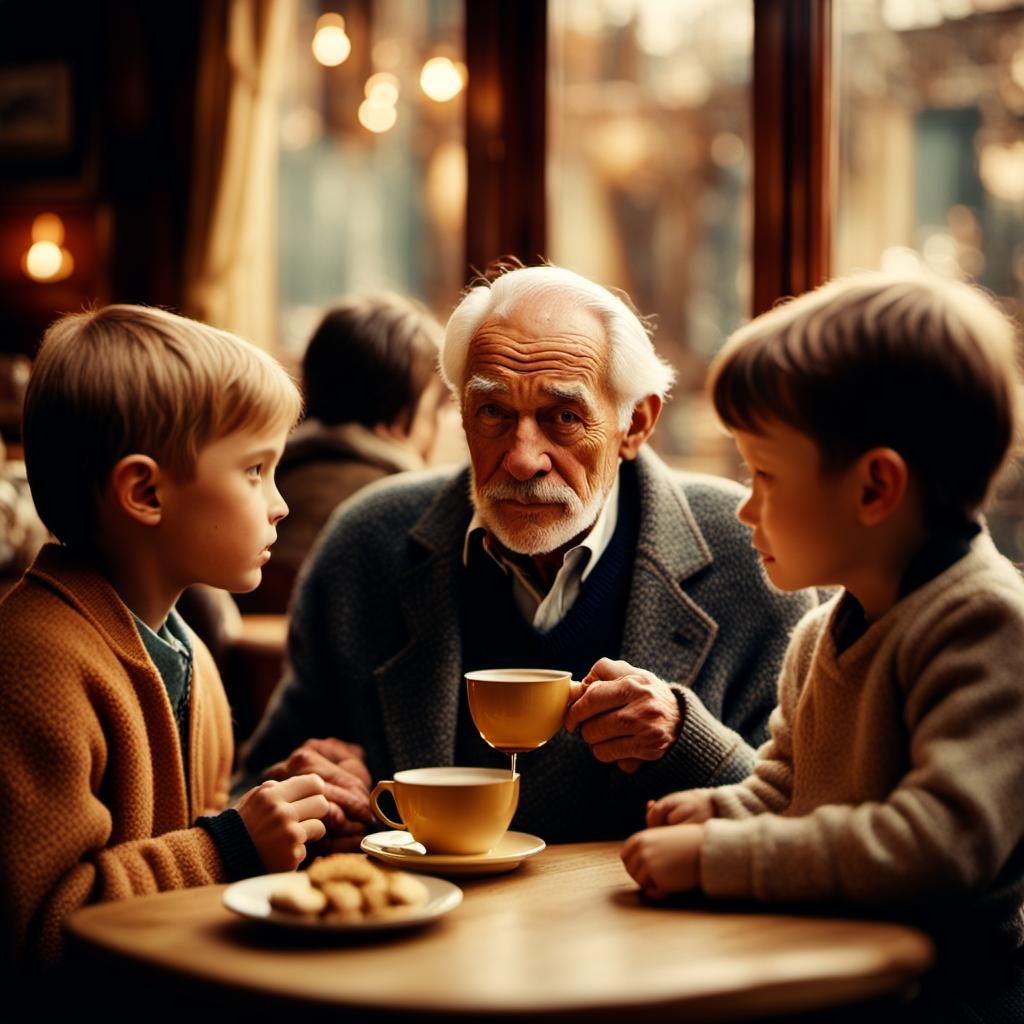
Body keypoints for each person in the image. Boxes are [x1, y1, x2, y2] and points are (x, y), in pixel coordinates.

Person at [237, 262, 816, 844]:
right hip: (425, 926)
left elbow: (809, 826)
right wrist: (308, 795)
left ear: (634, 424)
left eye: (563, 418)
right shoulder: (368, 543)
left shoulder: (753, 553)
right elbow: (257, 786)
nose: (521, 458)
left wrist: (684, 738)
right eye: (493, 413)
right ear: (460, 413)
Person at [621, 271, 1024, 1022]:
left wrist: (721, 859)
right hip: (829, 975)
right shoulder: (819, 633)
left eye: (765, 474)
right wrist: (719, 814)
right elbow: (786, 793)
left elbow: (936, 849)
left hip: (946, 1001)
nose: (744, 505)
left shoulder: (985, 627)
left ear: (875, 489)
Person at [0, 305, 331, 980]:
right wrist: (228, 849)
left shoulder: (192, 657)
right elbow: (35, 929)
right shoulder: (33, 663)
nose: (280, 504)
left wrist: (275, 818)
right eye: (255, 471)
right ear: (145, 491)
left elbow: (186, 850)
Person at [241, 292, 450, 613]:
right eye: (431, 411)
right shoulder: (410, 513)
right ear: (396, 418)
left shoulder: (264, 482)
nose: (437, 427)